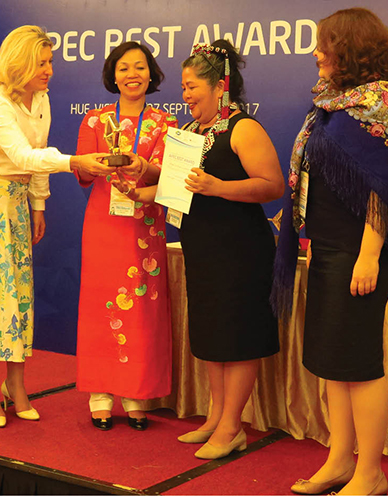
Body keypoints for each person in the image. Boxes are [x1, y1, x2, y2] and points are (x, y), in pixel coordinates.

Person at [0, 25, 114, 428]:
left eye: (50, 62)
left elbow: (36, 154)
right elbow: (21, 155)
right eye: (41, 63)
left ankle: (15, 384)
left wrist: (38, 205)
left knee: (16, 294)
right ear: (19, 63)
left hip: (14, 200)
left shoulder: (42, 98)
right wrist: (75, 162)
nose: (49, 70)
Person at [115, 39, 284, 454]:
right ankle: (215, 417)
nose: (185, 95)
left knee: (238, 337)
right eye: (183, 87)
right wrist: (140, 186)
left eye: (192, 87)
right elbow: (173, 184)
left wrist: (218, 187)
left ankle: (232, 427)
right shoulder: (190, 132)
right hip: (202, 248)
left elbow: (273, 185)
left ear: (219, 87)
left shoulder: (243, 128)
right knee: (211, 335)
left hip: (241, 250)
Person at [272, 8, 388, 495]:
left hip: (361, 251)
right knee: (333, 361)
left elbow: (383, 189)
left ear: (349, 48)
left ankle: (370, 473)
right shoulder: (330, 104)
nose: (315, 53)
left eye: (323, 44)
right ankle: (339, 461)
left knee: (358, 363)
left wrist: (369, 255)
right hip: (328, 248)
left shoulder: (380, 104)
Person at [75, 41, 177, 431]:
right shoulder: (95, 120)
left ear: (151, 74)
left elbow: (168, 176)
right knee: (100, 305)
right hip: (104, 223)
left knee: (141, 310)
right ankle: (100, 394)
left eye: (139, 67)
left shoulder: (165, 123)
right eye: (123, 68)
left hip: (144, 227)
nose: (132, 74)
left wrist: (143, 167)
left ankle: (135, 393)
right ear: (112, 76)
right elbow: (82, 172)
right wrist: (96, 165)